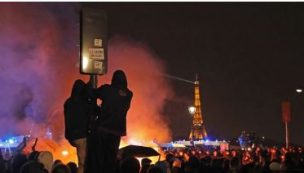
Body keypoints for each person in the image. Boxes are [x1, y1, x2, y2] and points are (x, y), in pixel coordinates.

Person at [86, 70, 133, 173]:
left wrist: (91, 82)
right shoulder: (129, 94)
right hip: (117, 131)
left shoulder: (107, 89)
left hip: (103, 128)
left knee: (99, 157)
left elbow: (92, 93)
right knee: (111, 158)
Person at [64, 79, 96, 173]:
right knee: (83, 163)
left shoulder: (68, 102)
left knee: (83, 160)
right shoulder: (84, 102)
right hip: (82, 135)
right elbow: (94, 111)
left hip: (72, 136)